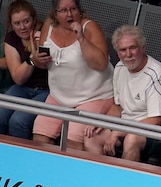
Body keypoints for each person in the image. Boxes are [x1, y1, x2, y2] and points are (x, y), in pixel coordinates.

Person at [82, 25, 161, 163]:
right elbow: (118, 107)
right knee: (92, 136)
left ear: (143, 48)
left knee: (131, 139)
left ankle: (125, 183)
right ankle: (100, 180)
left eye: (132, 48)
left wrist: (118, 131)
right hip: (128, 125)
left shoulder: (157, 73)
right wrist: (103, 122)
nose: (128, 54)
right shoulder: (120, 67)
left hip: (160, 132)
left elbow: (155, 121)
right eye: (123, 50)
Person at [31, 0, 113, 151]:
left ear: (79, 10)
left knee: (72, 140)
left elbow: (101, 64)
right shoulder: (49, 26)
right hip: (58, 97)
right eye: (63, 10)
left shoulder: (90, 27)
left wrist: (81, 38)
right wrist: (35, 60)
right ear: (55, 13)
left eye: (73, 9)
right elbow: (44, 61)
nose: (69, 14)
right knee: (40, 136)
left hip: (93, 97)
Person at [1, 0, 50, 139]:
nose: (22, 27)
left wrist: (42, 44)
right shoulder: (11, 38)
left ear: (34, 19)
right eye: (17, 23)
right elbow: (18, 78)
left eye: (26, 21)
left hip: (46, 90)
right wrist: (31, 59)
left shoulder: (45, 35)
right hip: (22, 88)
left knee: (18, 121)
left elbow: (51, 64)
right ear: (11, 24)